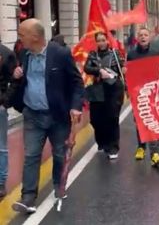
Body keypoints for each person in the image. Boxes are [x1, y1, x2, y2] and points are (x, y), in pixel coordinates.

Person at [10, 18, 84, 214]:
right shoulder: (23, 53)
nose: (19, 38)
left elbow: (77, 83)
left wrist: (76, 106)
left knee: (60, 154)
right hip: (32, 114)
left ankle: (59, 186)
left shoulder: (60, 54)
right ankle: (28, 198)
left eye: (21, 35)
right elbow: (23, 80)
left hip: (57, 116)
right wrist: (17, 75)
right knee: (31, 156)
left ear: (35, 37)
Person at [84, 32, 125, 160]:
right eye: (99, 40)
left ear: (107, 41)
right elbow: (87, 68)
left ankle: (113, 147)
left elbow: (122, 68)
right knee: (95, 119)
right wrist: (98, 71)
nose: (101, 43)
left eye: (103, 40)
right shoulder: (92, 55)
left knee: (112, 119)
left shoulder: (115, 54)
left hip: (113, 90)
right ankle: (101, 141)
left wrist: (124, 69)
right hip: (97, 90)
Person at [127, 28, 159, 167]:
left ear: (149, 37)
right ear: (137, 38)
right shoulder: (132, 54)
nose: (143, 37)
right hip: (138, 93)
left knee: (153, 121)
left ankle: (155, 152)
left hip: (153, 92)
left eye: (145, 35)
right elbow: (129, 72)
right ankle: (141, 146)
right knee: (140, 121)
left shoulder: (156, 52)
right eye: (140, 35)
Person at [0, 42, 17, 199]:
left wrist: (5, 102)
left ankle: (0, 182)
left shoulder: (5, 53)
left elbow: (15, 80)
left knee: (1, 147)